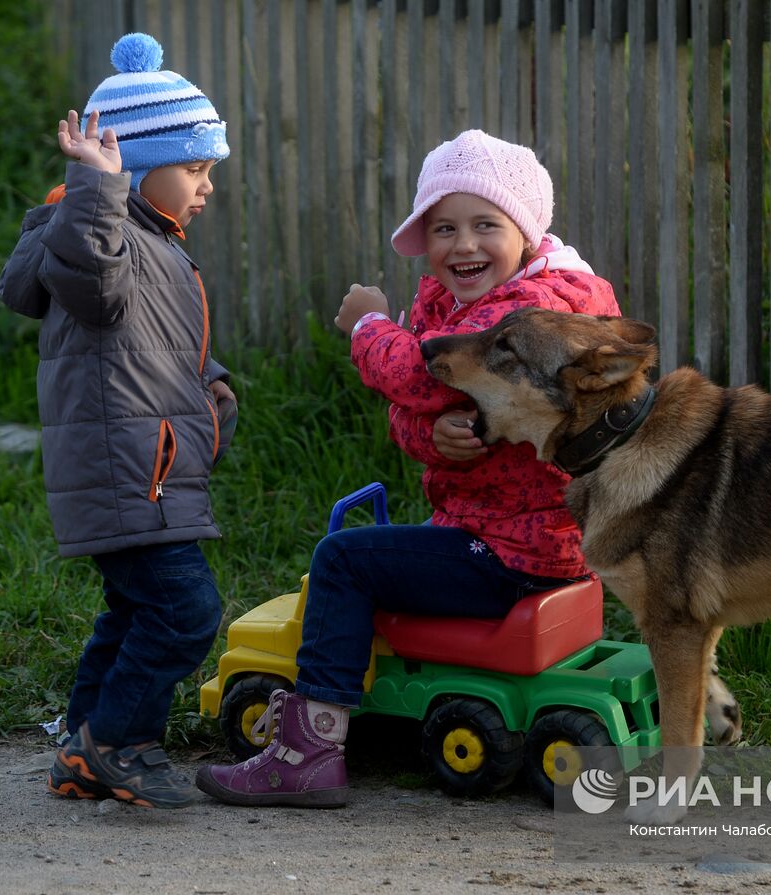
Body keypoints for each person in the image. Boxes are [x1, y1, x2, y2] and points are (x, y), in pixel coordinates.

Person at [197, 129, 621, 807]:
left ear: (528, 230)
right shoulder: (454, 302)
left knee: (343, 560)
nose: (463, 245)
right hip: (504, 530)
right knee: (381, 552)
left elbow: (416, 376)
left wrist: (368, 327)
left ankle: (307, 750)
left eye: (487, 224)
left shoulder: (532, 313)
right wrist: (437, 436)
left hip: (511, 547)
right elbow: (414, 412)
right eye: (444, 227)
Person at [0, 32, 236, 809]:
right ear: (132, 168)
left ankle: (82, 744)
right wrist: (96, 187)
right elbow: (96, 285)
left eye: (209, 172)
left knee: (136, 608)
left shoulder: (155, 240)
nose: (205, 187)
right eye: (194, 169)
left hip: (150, 460)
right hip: (131, 468)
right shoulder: (103, 235)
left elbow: (151, 342)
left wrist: (210, 384)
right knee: (185, 609)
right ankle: (119, 742)